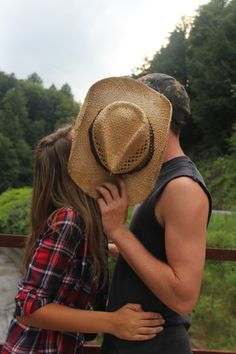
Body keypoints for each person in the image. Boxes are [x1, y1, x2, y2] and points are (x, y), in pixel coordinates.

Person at [1, 119, 166, 352]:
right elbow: (29, 307)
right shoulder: (68, 220)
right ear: (76, 172)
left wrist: (107, 250)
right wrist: (113, 322)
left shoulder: (81, 223)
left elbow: (66, 266)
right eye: (90, 153)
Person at [98, 73, 212, 354]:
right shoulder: (156, 177)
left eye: (134, 109)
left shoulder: (182, 187)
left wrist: (118, 231)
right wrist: (116, 247)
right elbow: (154, 252)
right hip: (129, 342)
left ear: (154, 114)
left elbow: (183, 296)